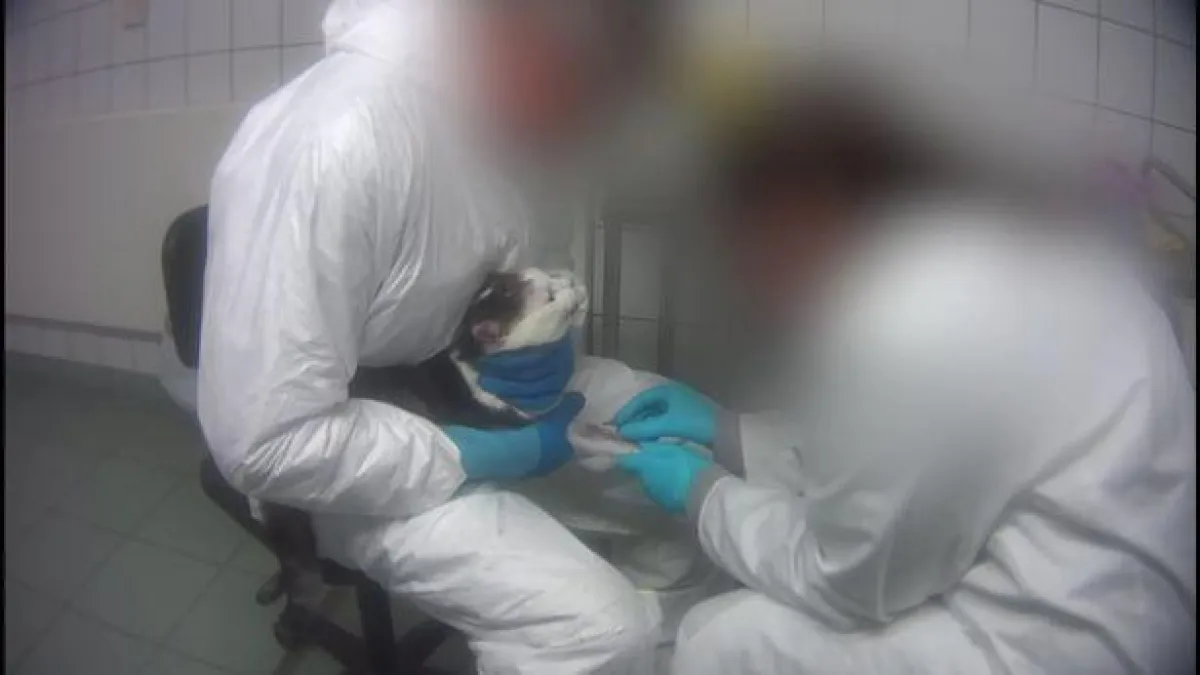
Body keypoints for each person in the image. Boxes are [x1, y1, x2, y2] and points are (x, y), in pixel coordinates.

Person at [613, 66, 1197, 673]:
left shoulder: (913, 318)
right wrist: (728, 431)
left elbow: (844, 581)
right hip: (1129, 606)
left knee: (723, 637)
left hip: (1056, 648)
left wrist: (704, 494)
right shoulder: (1030, 258)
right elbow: (915, 449)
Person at [196, 1, 698, 672]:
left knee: (676, 459)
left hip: (454, 391)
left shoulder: (510, 120)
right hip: (337, 458)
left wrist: (535, 356)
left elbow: (512, 273)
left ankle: (668, 642)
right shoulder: (332, 140)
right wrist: (463, 454)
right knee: (598, 632)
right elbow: (267, 443)